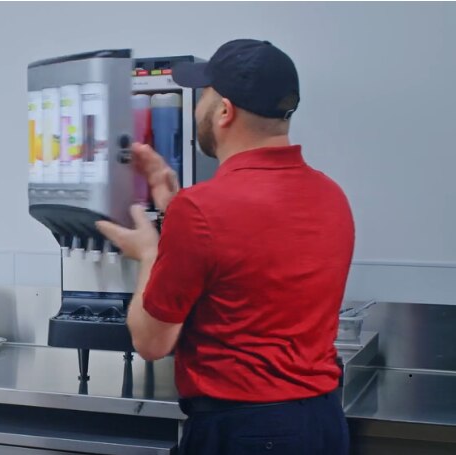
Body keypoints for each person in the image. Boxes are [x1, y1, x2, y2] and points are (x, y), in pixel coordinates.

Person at [97, 39, 354, 454]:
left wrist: (149, 252)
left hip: (247, 432)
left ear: (224, 111)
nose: (197, 107)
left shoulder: (201, 209)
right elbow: (248, 263)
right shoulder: (332, 196)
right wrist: (172, 205)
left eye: (204, 95)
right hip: (323, 425)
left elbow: (151, 342)